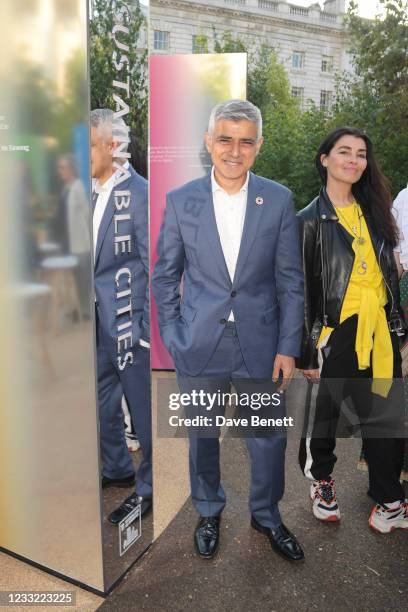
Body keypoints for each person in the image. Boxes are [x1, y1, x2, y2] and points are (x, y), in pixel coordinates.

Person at [152, 99, 305, 560]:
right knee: (202, 436)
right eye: (225, 139)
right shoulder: (181, 201)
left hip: (261, 345)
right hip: (199, 344)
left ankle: (267, 515)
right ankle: (208, 508)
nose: (234, 150)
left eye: (245, 141)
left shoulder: (278, 199)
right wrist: (176, 335)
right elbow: (163, 276)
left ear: (258, 146)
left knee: (268, 439)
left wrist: (288, 346)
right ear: (208, 143)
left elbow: (290, 281)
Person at [297, 126, 408, 533]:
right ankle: (322, 481)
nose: (353, 160)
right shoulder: (308, 220)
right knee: (324, 416)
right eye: (344, 152)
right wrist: (308, 352)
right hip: (336, 332)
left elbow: (389, 277)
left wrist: (398, 326)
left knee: (386, 415)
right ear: (324, 159)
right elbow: (304, 291)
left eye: (361, 154)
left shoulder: (378, 213)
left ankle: (389, 502)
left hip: (381, 329)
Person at [90, 108, 152, 522]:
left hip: (130, 324)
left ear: (114, 146)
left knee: (141, 410)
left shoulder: (143, 195)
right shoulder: (83, 191)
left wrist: (146, 329)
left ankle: (147, 489)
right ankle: (116, 469)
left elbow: (155, 265)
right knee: (99, 402)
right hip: (91, 322)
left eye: (89, 145)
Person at [56, 154, 91, 319]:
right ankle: (75, 308)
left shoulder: (78, 187)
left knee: (82, 279)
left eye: (63, 167)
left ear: (71, 169)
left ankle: (84, 311)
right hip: (67, 243)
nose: (60, 171)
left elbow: (86, 214)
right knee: (71, 279)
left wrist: (90, 240)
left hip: (79, 243)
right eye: (59, 167)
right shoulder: (65, 189)